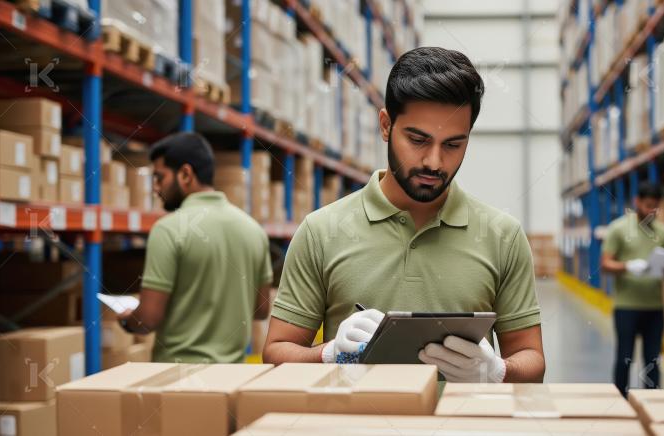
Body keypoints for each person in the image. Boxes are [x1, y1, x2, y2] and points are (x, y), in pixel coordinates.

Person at [263, 47, 545, 383]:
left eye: (453, 144)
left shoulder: (503, 236)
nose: (434, 162)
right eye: (418, 140)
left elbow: (532, 360)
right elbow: (276, 353)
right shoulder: (321, 231)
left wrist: (497, 370)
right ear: (386, 125)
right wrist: (329, 354)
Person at [117, 132, 273, 363]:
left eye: (160, 177)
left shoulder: (168, 229)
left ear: (185, 174)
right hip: (232, 380)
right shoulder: (253, 230)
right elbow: (260, 310)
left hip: (177, 382)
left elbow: (147, 320)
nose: (156, 188)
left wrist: (127, 319)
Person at [601, 182, 664, 395]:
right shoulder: (619, 229)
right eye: (648, 205)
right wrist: (627, 266)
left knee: (653, 360)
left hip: (655, 307)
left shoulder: (663, 233)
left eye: (656, 207)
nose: (651, 211)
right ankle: (621, 402)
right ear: (637, 202)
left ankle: (652, 405)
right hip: (627, 307)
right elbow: (605, 264)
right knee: (625, 357)